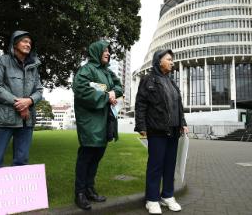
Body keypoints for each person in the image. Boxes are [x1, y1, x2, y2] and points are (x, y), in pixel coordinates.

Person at [134, 49, 189, 214]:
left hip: (173, 130)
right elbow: (141, 104)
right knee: (155, 165)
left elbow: (178, 106)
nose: (172, 62)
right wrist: (141, 126)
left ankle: (167, 195)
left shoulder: (172, 82)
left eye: (172, 60)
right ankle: (152, 199)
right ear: (159, 61)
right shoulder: (148, 80)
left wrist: (183, 123)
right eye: (169, 59)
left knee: (170, 165)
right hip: (157, 130)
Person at [72, 40, 123, 210]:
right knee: (87, 155)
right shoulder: (86, 70)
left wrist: (114, 92)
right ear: (96, 52)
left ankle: (89, 188)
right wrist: (106, 96)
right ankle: (79, 192)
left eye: (109, 51)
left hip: (105, 119)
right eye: (105, 51)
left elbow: (118, 86)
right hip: (90, 121)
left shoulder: (108, 72)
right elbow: (81, 91)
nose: (108, 53)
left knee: (97, 156)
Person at [0, 30, 43, 168]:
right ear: (15, 43)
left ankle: (18, 190)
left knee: (21, 162)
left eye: (30, 42)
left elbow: (39, 90)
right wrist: (20, 103)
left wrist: (29, 101)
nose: (28, 44)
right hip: (3, 121)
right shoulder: (0, 62)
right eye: (24, 41)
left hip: (26, 122)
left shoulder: (33, 67)